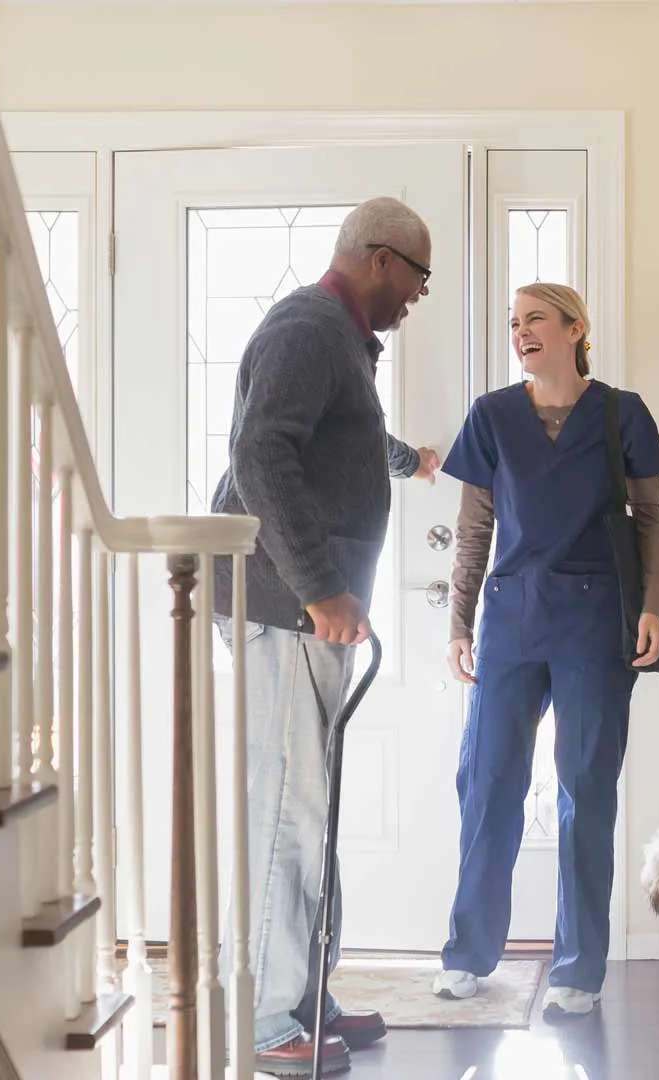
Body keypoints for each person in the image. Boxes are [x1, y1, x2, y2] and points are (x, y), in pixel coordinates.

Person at [208, 196, 439, 1076]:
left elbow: (341, 438)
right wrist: (321, 589)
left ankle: (305, 992)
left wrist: (411, 459)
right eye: (417, 278)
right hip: (285, 607)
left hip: (304, 608)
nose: (418, 296)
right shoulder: (308, 329)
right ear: (381, 260)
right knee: (288, 814)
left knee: (315, 810)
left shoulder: (338, 344)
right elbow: (262, 453)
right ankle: (270, 1022)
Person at [431, 282, 659, 1020]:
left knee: (585, 789)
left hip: (596, 624)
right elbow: (475, 529)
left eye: (534, 318)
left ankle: (579, 967)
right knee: (488, 785)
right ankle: (468, 954)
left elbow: (652, 520)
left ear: (576, 328)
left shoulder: (619, 412)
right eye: (513, 322)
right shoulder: (492, 416)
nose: (520, 332)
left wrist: (655, 609)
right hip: (510, 621)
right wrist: (459, 622)